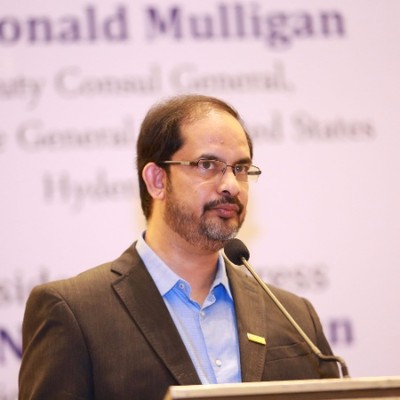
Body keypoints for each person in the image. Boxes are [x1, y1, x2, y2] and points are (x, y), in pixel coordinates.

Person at [19, 94, 339, 400]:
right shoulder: (74, 313)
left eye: (240, 169)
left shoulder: (295, 317)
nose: (231, 185)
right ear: (157, 180)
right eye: (207, 164)